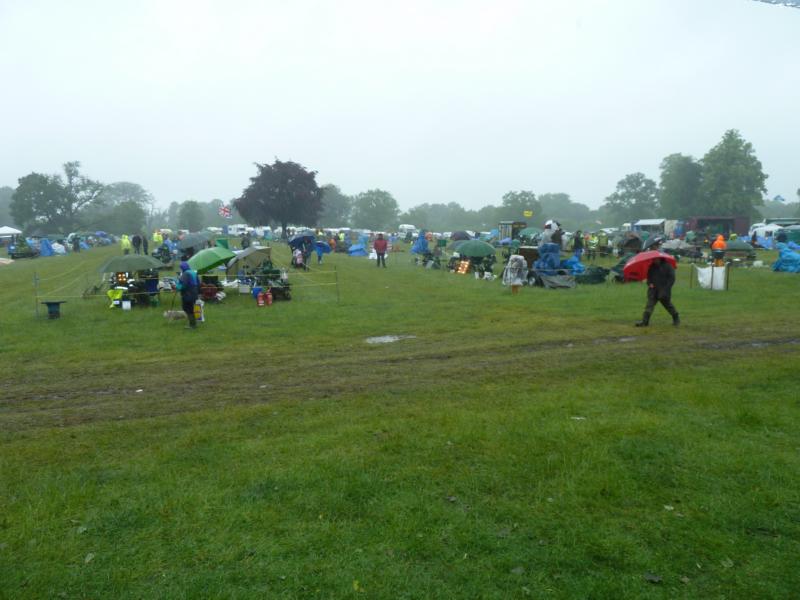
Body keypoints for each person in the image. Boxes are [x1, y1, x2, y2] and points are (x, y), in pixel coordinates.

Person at [636, 258, 679, 327]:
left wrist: (666, 289)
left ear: (660, 259)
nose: (654, 260)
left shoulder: (668, 266)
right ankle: (645, 322)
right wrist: (649, 283)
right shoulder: (651, 267)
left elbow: (672, 278)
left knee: (668, 305)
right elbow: (649, 278)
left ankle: (676, 318)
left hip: (664, 290)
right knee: (649, 305)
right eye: (653, 259)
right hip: (653, 290)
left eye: (655, 259)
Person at [176, 261, 199, 329]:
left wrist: (177, 288)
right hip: (194, 293)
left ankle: (192, 325)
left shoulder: (185, 274)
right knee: (191, 308)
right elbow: (198, 283)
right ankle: (193, 323)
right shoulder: (194, 272)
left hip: (188, 294)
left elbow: (183, 285)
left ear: (182, 268)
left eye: (181, 268)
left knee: (187, 308)